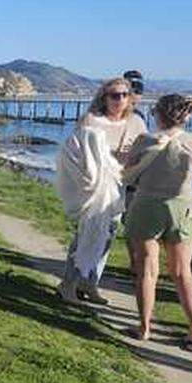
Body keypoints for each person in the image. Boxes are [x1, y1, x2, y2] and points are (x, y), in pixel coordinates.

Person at [123, 94, 192, 350]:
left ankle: (144, 327)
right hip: (182, 207)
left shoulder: (144, 140)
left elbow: (127, 174)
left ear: (159, 115)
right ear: (186, 117)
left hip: (147, 206)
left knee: (147, 271)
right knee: (183, 274)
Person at [55, 78, 145, 304]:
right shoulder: (91, 121)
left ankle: (90, 283)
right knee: (86, 235)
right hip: (93, 188)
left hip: (119, 185)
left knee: (107, 235)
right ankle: (68, 284)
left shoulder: (136, 122)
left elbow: (144, 151)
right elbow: (75, 153)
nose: (120, 99)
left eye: (124, 94)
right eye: (114, 95)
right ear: (104, 98)